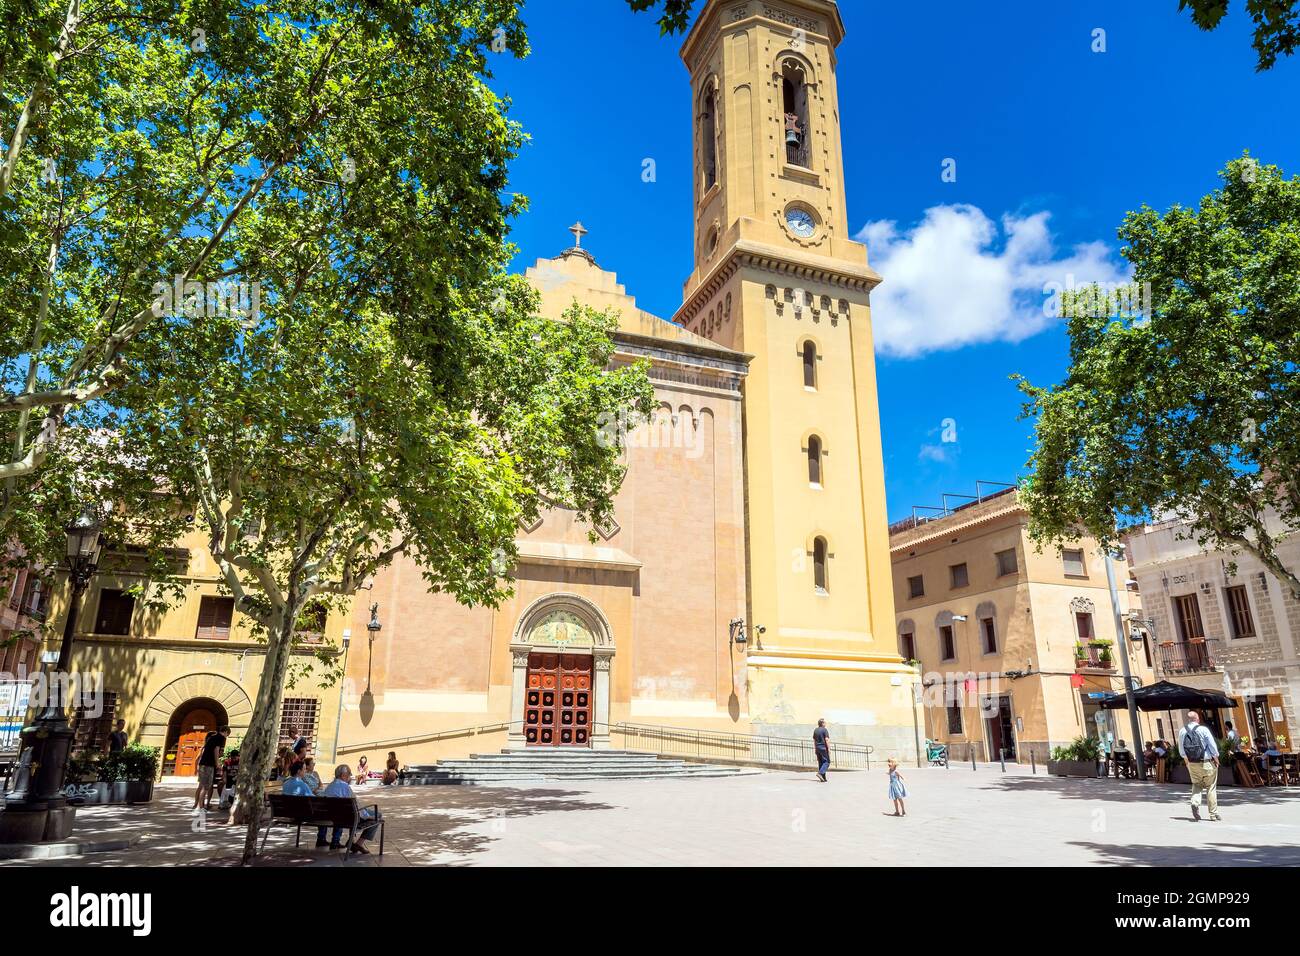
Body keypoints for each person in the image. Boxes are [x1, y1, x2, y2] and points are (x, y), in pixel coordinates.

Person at [318, 763, 381, 854]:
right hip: (348, 817)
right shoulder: (345, 786)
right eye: (349, 774)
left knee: (349, 812)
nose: (350, 777)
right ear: (343, 775)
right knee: (377, 815)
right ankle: (358, 843)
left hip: (333, 815)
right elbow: (356, 805)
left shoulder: (329, 786)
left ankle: (350, 842)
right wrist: (366, 816)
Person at [1177, 710, 1220, 822]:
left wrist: (1187, 763)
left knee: (1196, 784)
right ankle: (1213, 814)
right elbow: (1212, 746)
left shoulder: (1182, 731)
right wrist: (1216, 759)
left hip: (1192, 763)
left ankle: (1195, 803)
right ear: (1198, 719)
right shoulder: (1203, 729)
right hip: (1206, 762)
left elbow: (1181, 751)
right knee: (1211, 787)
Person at [192, 724, 230, 813]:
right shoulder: (220, 738)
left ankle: (198, 805)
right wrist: (217, 763)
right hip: (208, 765)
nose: (227, 737)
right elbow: (216, 750)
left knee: (202, 786)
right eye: (227, 735)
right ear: (225, 732)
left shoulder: (212, 738)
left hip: (203, 764)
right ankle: (200, 807)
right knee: (206, 787)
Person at [812, 718, 831, 782]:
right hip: (823, 748)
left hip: (817, 748)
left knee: (821, 763)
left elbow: (814, 740)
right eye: (825, 722)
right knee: (827, 762)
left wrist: (815, 749)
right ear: (822, 723)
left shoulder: (815, 730)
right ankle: (820, 773)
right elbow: (826, 739)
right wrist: (828, 749)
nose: (825, 724)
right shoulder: (824, 730)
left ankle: (823, 778)